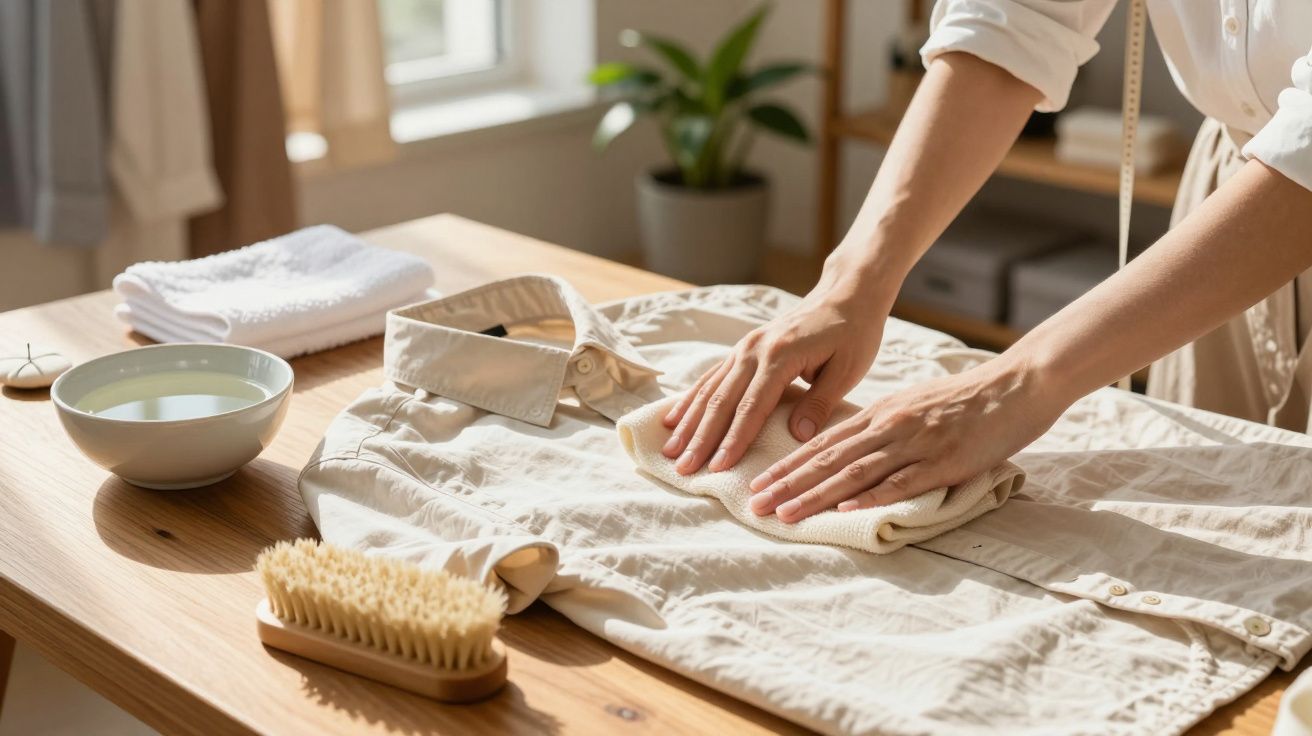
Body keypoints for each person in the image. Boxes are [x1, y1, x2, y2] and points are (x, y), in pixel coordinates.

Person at [660, 1, 1312, 523]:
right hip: (1232, 203)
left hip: (1266, 217)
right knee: (1196, 536)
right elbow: (1017, 18)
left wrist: (1019, 383)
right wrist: (851, 280)